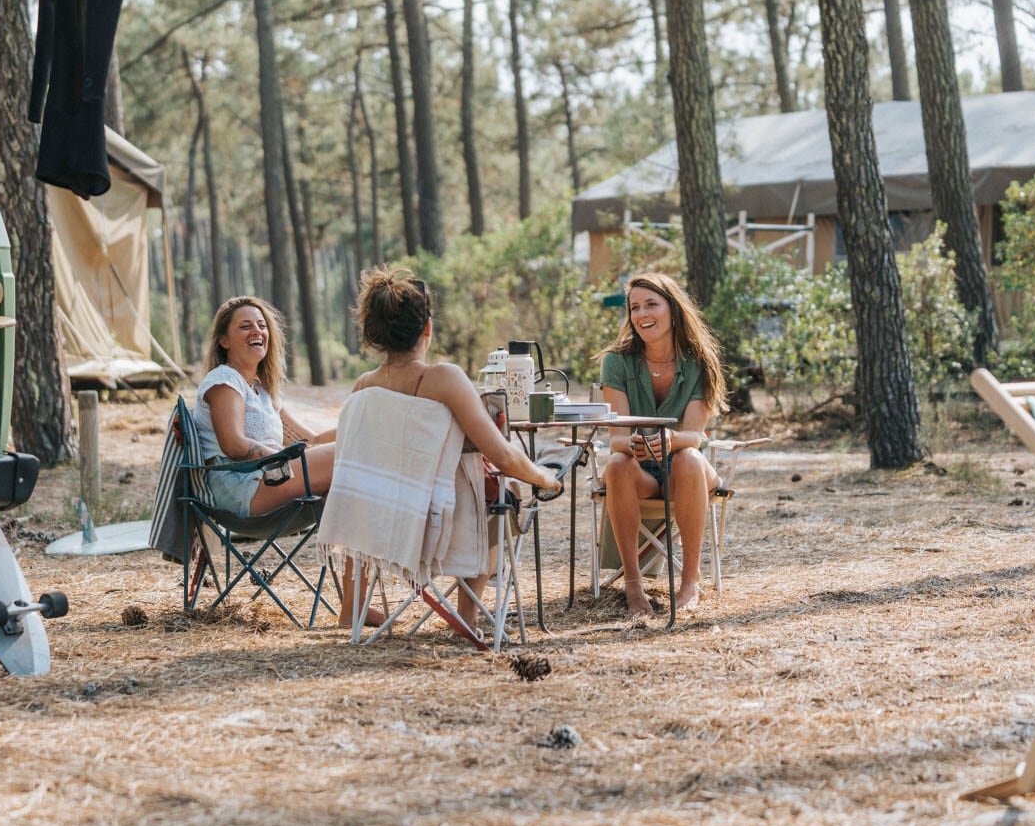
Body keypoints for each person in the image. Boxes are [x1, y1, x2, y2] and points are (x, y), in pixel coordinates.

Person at [339, 267, 560, 630]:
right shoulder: (443, 378)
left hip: (379, 525)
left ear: (373, 333)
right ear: (427, 328)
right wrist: (548, 480)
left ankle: (352, 608)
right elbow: (503, 455)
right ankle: (467, 616)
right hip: (441, 525)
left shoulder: (363, 387)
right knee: (502, 489)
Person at [598, 272, 729, 618]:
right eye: (635, 307)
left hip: (684, 472)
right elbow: (617, 439)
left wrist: (669, 442)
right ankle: (633, 585)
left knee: (688, 458)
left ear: (672, 309)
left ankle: (689, 580)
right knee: (615, 464)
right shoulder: (616, 362)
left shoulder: (698, 362)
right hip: (638, 471)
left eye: (651, 304)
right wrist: (638, 445)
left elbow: (694, 436)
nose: (642, 315)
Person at [192, 296, 334, 518]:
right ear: (224, 341)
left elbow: (312, 441)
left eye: (262, 325)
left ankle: (350, 551)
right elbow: (234, 445)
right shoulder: (224, 380)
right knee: (344, 457)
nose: (257, 331)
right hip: (241, 485)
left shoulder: (263, 391)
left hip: (270, 477)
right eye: (245, 326)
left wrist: (355, 427)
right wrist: (284, 458)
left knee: (351, 454)